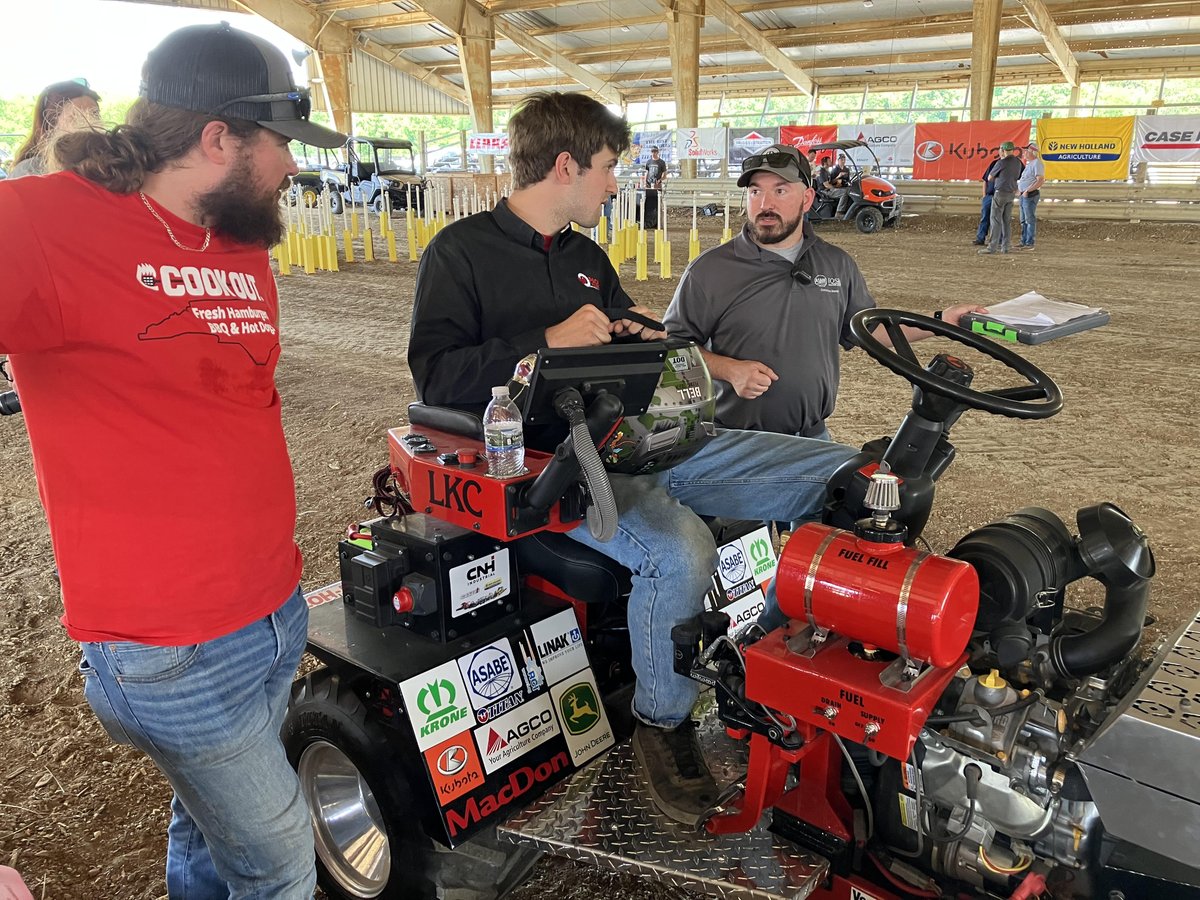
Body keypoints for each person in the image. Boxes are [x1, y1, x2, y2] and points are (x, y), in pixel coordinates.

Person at [408, 92, 857, 827]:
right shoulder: (460, 254)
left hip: (637, 440)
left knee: (837, 474)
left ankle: (755, 657)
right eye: (610, 168)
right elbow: (434, 376)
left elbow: (619, 337)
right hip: (545, 466)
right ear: (565, 166)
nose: (618, 183)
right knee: (682, 550)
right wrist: (545, 342)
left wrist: (641, 335)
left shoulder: (586, 255)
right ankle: (663, 723)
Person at [0, 22, 346, 899]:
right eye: (282, 147)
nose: (294, 169)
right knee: (277, 858)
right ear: (217, 137)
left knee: (207, 824)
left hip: (271, 612)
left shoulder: (237, 236)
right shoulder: (44, 225)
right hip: (168, 647)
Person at [664, 143, 984, 443]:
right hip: (736, 439)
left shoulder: (836, 264)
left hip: (814, 436)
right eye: (755, 191)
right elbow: (671, 348)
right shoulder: (711, 270)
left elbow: (870, 330)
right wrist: (728, 370)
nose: (765, 204)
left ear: (806, 199)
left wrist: (943, 321)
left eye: (780, 190)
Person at [8, 79, 102, 179]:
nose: (89, 124)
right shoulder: (29, 171)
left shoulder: (108, 166)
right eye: (75, 117)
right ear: (51, 126)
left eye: (94, 115)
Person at [979, 140, 1024, 255]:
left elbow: (990, 177)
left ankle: (992, 247)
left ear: (1003, 150)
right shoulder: (1018, 162)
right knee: (1006, 221)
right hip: (1011, 193)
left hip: (1000, 193)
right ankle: (1006, 247)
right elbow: (1019, 176)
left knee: (995, 220)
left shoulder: (1001, 162)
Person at [1016, 142, 1046, 251]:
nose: (1024, 153)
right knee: (1024, 219)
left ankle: (1029, 242)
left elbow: (1040, 180)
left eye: (1026, 151)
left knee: (1029, 219)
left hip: (1029, 195)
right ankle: (1024, 241)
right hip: (1025, 194)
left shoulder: (1037, 163)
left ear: (1032, 152)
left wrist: (1027, 190)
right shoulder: (1032, 164)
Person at [973, 152, 1002, 246]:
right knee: (985, 217)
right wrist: (984, 195)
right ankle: (980, 238)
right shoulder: (994, 163)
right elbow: (985, 180)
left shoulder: (1012, 164)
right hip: (990, 195)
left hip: (1001, 195)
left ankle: (998, 240)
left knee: (998, 218)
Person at [643, 144, 667, 229]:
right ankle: (648, 221)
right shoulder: (648, 162)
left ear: (658, 152)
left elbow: (664, 174)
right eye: (652, 151)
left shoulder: (661, 162)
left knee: (658, 204)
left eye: (655, 151)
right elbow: (646, 172)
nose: (654, 153)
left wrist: (660, 180)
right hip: (649, 185)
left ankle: (658, 222)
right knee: (648, 203)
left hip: (657, 185)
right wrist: (645, 182)